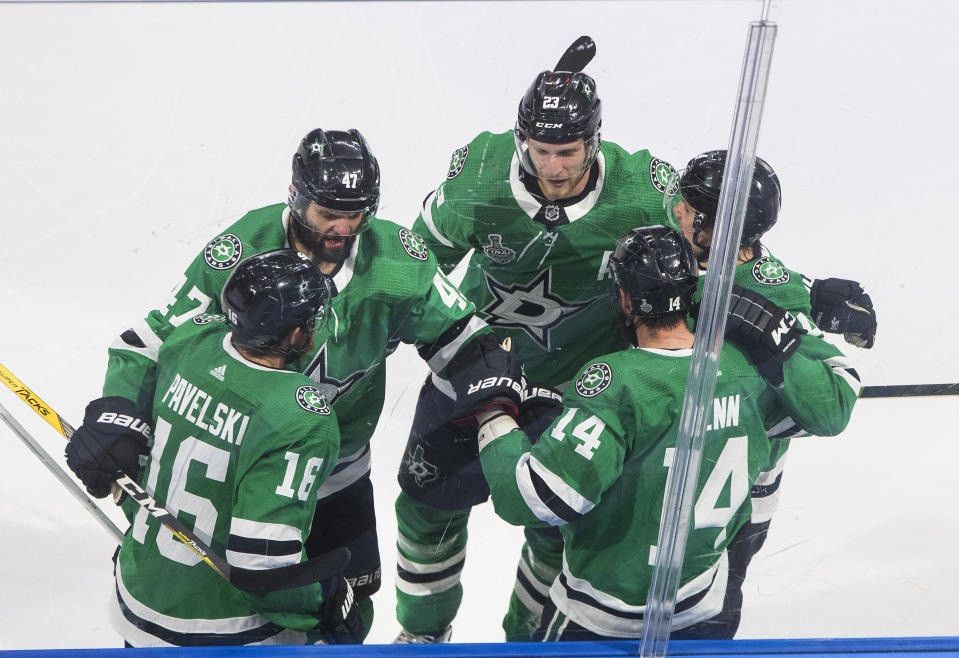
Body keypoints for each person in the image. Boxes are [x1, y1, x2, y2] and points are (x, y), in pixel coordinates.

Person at [85, 128, 492, 636]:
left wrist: (497, 396)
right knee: (236, 604)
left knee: (350, 610)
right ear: (297, 198)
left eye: (358, 212)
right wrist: (116, 414)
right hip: (241, 472)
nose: (344, 228)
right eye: (329, 213)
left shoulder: (395, 260)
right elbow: (148, 343)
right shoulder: (242, 251)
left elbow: (466, 339)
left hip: (338, 471)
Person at [393, 65, 679, 643]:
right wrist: (460, 339)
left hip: (582, 390)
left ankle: (528, 644)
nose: (552, 167)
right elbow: (409, 267)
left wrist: (791, 294)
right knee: (425, 509)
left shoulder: (644, 189)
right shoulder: (479, 176)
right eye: (539, 150)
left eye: (567, 152)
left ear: (594, 141)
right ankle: (424, 637)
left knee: (556, 524)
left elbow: (715, 254)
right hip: (472, 373)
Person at [467, 225, 855, 640]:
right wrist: (778, 327)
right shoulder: (748, 372)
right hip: (705, 603)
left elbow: (534, 499)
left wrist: (493, 413)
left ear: (625, 298)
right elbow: (832, 399)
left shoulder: (617, 383)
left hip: (605, 615)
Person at [65, 249, 364, 646]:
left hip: (137, 598)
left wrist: (115, 418)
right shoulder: (298, 416)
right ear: (295, 335)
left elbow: (135, 345)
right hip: (224, 631)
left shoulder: (193, 338)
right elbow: (261, 567)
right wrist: (324, 601)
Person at [665, 150, 868, 634]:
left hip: (733, 499)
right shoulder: (685, 243)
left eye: (689, 208)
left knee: (707, 622)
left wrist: (775, 338)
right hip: (663, 475)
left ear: (717, 228)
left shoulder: (776, 299)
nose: (674, 209)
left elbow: (832, 411)